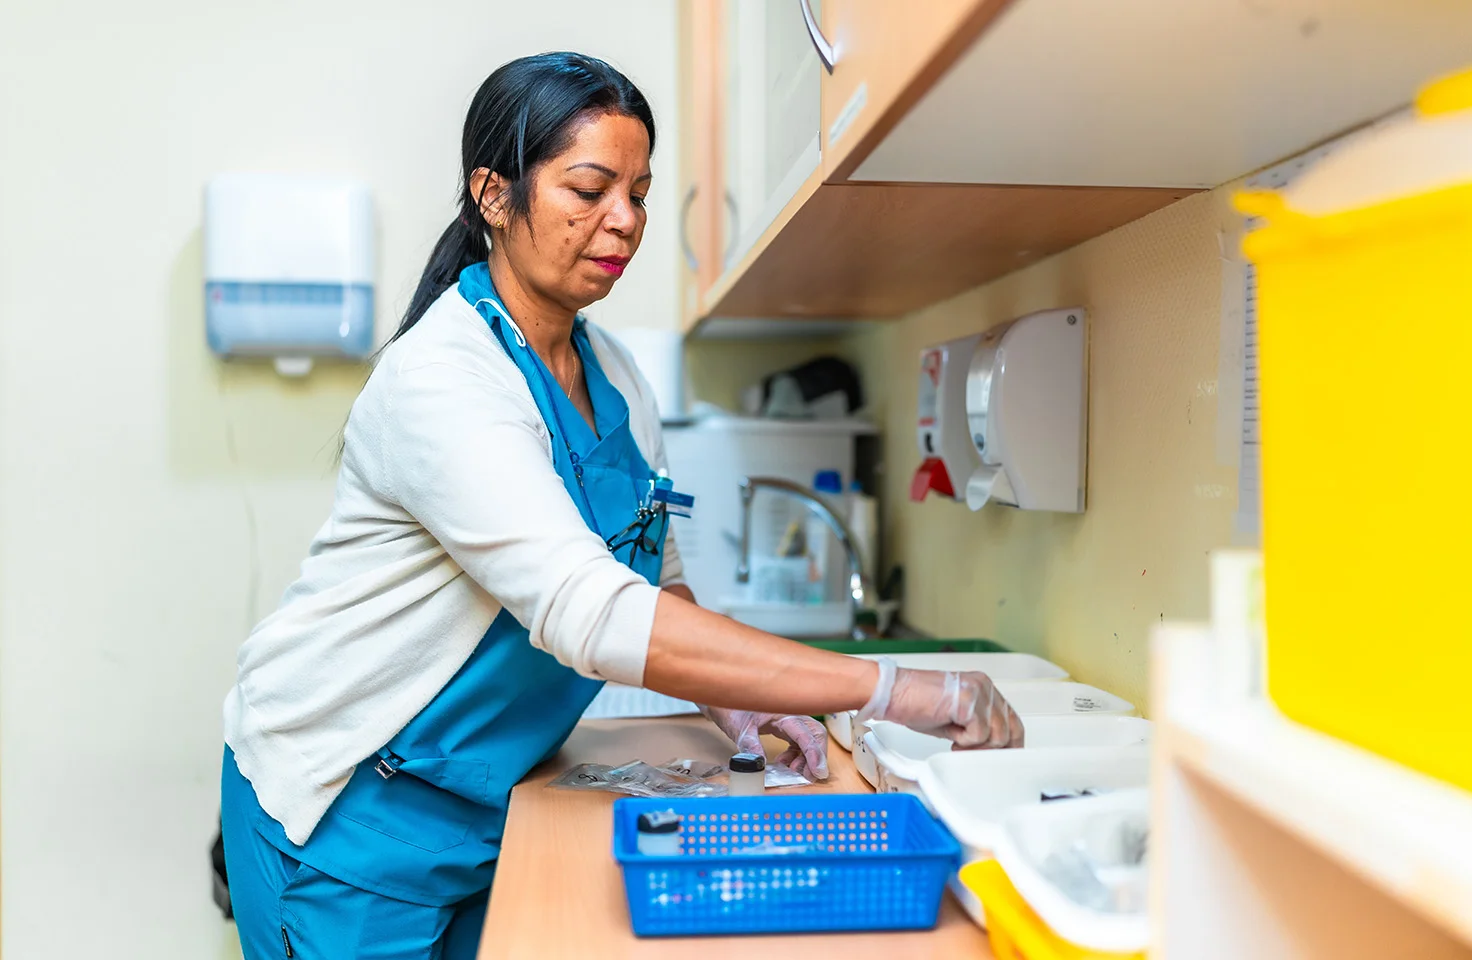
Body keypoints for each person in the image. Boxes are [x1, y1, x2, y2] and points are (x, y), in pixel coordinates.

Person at [220, 51, 1023, 960]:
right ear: (493, 193)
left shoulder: (617, 377)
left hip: (488, 802)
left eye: (639, 192)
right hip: (349, 816)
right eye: (591, 188)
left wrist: (738, 705)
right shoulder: (443, 378)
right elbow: (587, 613)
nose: (626, 221)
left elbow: (661, 585)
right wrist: (894, 689)